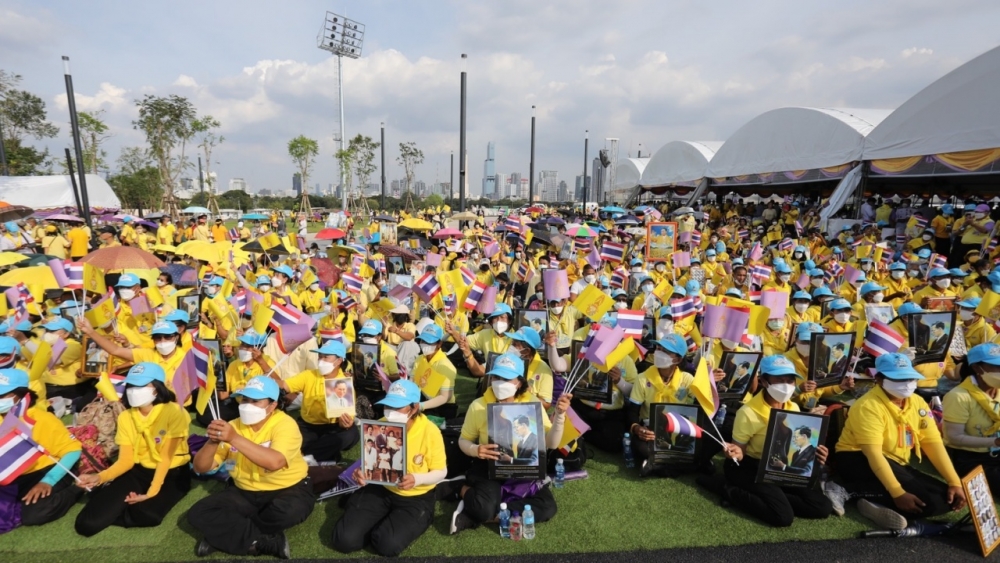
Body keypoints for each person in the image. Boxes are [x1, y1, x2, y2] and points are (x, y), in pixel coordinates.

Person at [828, 353, 966, 530]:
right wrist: (897, 492)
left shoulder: (917, 402)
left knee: (946, 499)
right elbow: (873, 454)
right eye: (898, 379)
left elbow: (933, 443)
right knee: (923, 503)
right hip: (857, 457)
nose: (907, 384)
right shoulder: (868, 406)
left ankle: (872, 502)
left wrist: (954, 482)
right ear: (878, 380)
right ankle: (846, 488)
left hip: (894, 460)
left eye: (910, 378)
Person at [189, 376, 313, 558]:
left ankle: (222, 536)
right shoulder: (232, 426)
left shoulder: (285, 424)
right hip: (244, 491)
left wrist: (233, 439)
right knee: (198, 513)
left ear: (272, 406)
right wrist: (212, 442)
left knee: (288, 511)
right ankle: (265, 541)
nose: (247, 405)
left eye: (256, 401)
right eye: (245, 400)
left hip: (287, 488)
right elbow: (201, 468)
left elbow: (275, 462)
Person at [449, 353, 570, 534]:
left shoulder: (532, 404)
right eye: (497, 377)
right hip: (488, 465)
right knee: (484, 507)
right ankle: (462, 489)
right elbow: (463, 439)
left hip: (522, 467)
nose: (500, 383)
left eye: (507, 378)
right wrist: (476, 450)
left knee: (547, 507)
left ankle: (491, 512)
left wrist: (559, 416)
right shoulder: (479, 405)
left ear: (519, 383)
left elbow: (551, 443)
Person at [707, 355, 833, 527]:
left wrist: (816, 454)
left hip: (778, 467)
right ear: (764, 381)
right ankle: (725, 487)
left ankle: (770, 497)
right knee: (782, 517)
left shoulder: (793, 407)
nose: (786, 386)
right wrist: (735, 452)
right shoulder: (748, 412)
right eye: (780, 380)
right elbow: (739, 451)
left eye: (790, 381)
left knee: (822, 507)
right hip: (749, 467)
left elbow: (793, 446)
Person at [74, 363, 191, 537]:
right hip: (139, 471)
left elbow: (165, 458)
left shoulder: (175, 412)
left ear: (157, 388)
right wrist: (99, 477)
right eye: (131, 386)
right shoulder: (126, 417)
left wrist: (151, 493)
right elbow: (126, 460)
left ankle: (116, 505)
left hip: (172, 473)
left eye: (142, 385)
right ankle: (111, 500)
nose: (134, 390)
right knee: (86, 525)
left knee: (148, 514)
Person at [0, 369, 83, 527]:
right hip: (12, 473)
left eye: (2, 395)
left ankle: (77, 490)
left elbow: (73, 451)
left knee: (33, 514)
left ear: (21, 394)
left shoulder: (41, 418)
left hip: (50, 469)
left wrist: (47, 481)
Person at [280, 341, 359, 461]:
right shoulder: (309, 375)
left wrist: (345, 424)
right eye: (320, 356)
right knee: (291, 436)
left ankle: (308, 456)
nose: (321, 360)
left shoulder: (344, 383)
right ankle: (323, 455)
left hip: (333, 426)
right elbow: (285, 385)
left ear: (338, 361)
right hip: (308, 425)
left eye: (326, 357)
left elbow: (348, 417)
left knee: (352, 434)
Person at [942, 343, 1000, 492]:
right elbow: (954, 437)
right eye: (996, 366)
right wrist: (995, 441)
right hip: (970, 458)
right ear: (976, 368)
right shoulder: (958, 396)